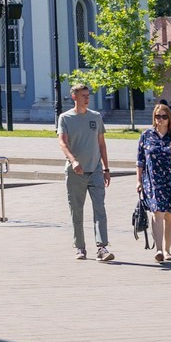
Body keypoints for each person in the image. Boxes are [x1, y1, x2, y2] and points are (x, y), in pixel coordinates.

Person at [57, 82, 114, 263]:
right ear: (74, 97)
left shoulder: (96, 117)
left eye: (88, 96)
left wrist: (106, 168)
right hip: (76, 173)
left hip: (95, 170)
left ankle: (102, 247)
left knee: (100, 208)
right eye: (83, 96)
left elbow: (102, 144)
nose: (87, 98)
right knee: (77, 210)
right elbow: (62, 143)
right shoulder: (65, 118)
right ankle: (80, 247)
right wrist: (73, 161)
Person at [134, 99, 171, 265]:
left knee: (170, 216)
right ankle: (159, 249)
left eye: (163, 117)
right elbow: (140, 161)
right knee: (157, 212)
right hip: (152, 181)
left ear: (169, 118)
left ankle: (168, 250)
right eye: (157, 116)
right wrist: (138, 181)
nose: (160, 119)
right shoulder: (146, 136)